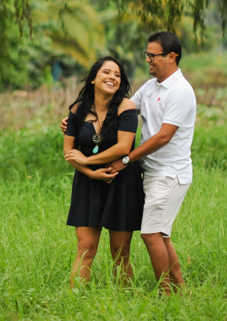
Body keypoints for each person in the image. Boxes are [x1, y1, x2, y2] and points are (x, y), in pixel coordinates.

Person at [59, 31, 196, 295]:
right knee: (156, 235)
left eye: (153, 55)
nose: (148, 60)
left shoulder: (180, 91)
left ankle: (166, 296)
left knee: (148, 236)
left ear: (171, 56)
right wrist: (72, 123)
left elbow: (162, 137)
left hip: (167, 173)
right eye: (147, 55)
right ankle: (180, 290)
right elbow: (119, 108)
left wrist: (123, 158)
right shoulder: (152, 86)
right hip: (140, 171)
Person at [62, 56, 144, 287]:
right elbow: (69, 151)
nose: (112, 77)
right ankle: (75, 301)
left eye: (117, 75)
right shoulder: (77, 110)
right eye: (106, 72)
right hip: (87, 183)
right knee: (85, 246)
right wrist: (90, 172)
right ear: (93, 79)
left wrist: (88, 160)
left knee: (120, 250)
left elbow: (123, 147)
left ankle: (125, 302)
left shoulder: (126, 107)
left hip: (121, 181)